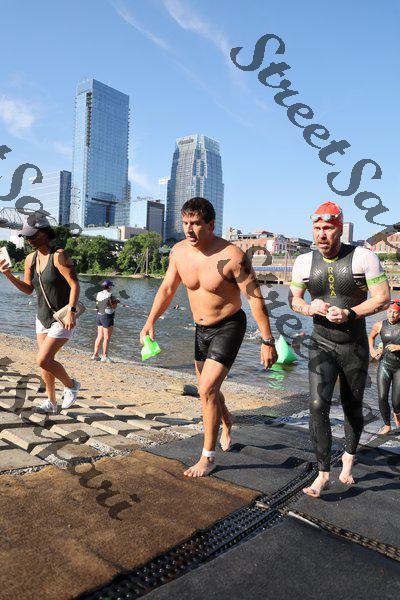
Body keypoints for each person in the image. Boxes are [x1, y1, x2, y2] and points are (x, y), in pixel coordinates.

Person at [140, 197, 277, 477]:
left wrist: (267, 341)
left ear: (211, 225)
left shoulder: (233, 256)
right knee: (208, 389)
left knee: (206, 390)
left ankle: (208, 457)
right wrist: (150, 321)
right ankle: (227, 421)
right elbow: (167, 289)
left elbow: (255, 299)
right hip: (200, 329)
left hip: (229, 326)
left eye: (196, 224)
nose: (189, 229)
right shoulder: (179, 252)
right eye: (185, 223)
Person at [289, 202, 390, 497]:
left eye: (328, 228)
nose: (322, 234)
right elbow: (294, 299)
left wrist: (350, 313)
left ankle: (349, 456)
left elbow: (383, 298)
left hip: (353, 346)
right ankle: (323, 473)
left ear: (340, 228)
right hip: (321, 343)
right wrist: (309, 308)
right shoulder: (303, 262)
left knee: (351, 406)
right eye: (317, 228)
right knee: (317, 404)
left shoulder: (363, 257)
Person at [0, 215, 81, 414]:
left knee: (43, 359)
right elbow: (29, 289)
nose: (29, 240)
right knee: (46, 363)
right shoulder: (30, 259)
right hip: (42, 317)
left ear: (45, 233)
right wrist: (8, 275)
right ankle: (51, 402)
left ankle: (71, 385)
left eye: (33, 236)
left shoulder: (59, 256)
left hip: (62, 317)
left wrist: (72, 311)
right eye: (26, 236)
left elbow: (75, 284)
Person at [369, 299, 400, 434]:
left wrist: (398, 347)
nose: (392, 315)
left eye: (395, 312)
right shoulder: (379, 325)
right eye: (389, 311)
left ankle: (397, 413)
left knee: (396, 402)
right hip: (385, 365)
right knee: (382, 397)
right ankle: (387, 425)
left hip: (399, 367)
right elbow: (371, 337)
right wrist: (372, 350)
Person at [92, 280, 119, 363]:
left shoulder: (99, 294)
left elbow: (98, 304)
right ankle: (105, 356)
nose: (111, 287)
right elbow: (113, 306)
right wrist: (116, 301)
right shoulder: (110, 295)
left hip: (99, 315)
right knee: (107, 337)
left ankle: (95, 355)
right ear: (109, 286)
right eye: (111, 286)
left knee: (100, 335)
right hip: (107, 316)